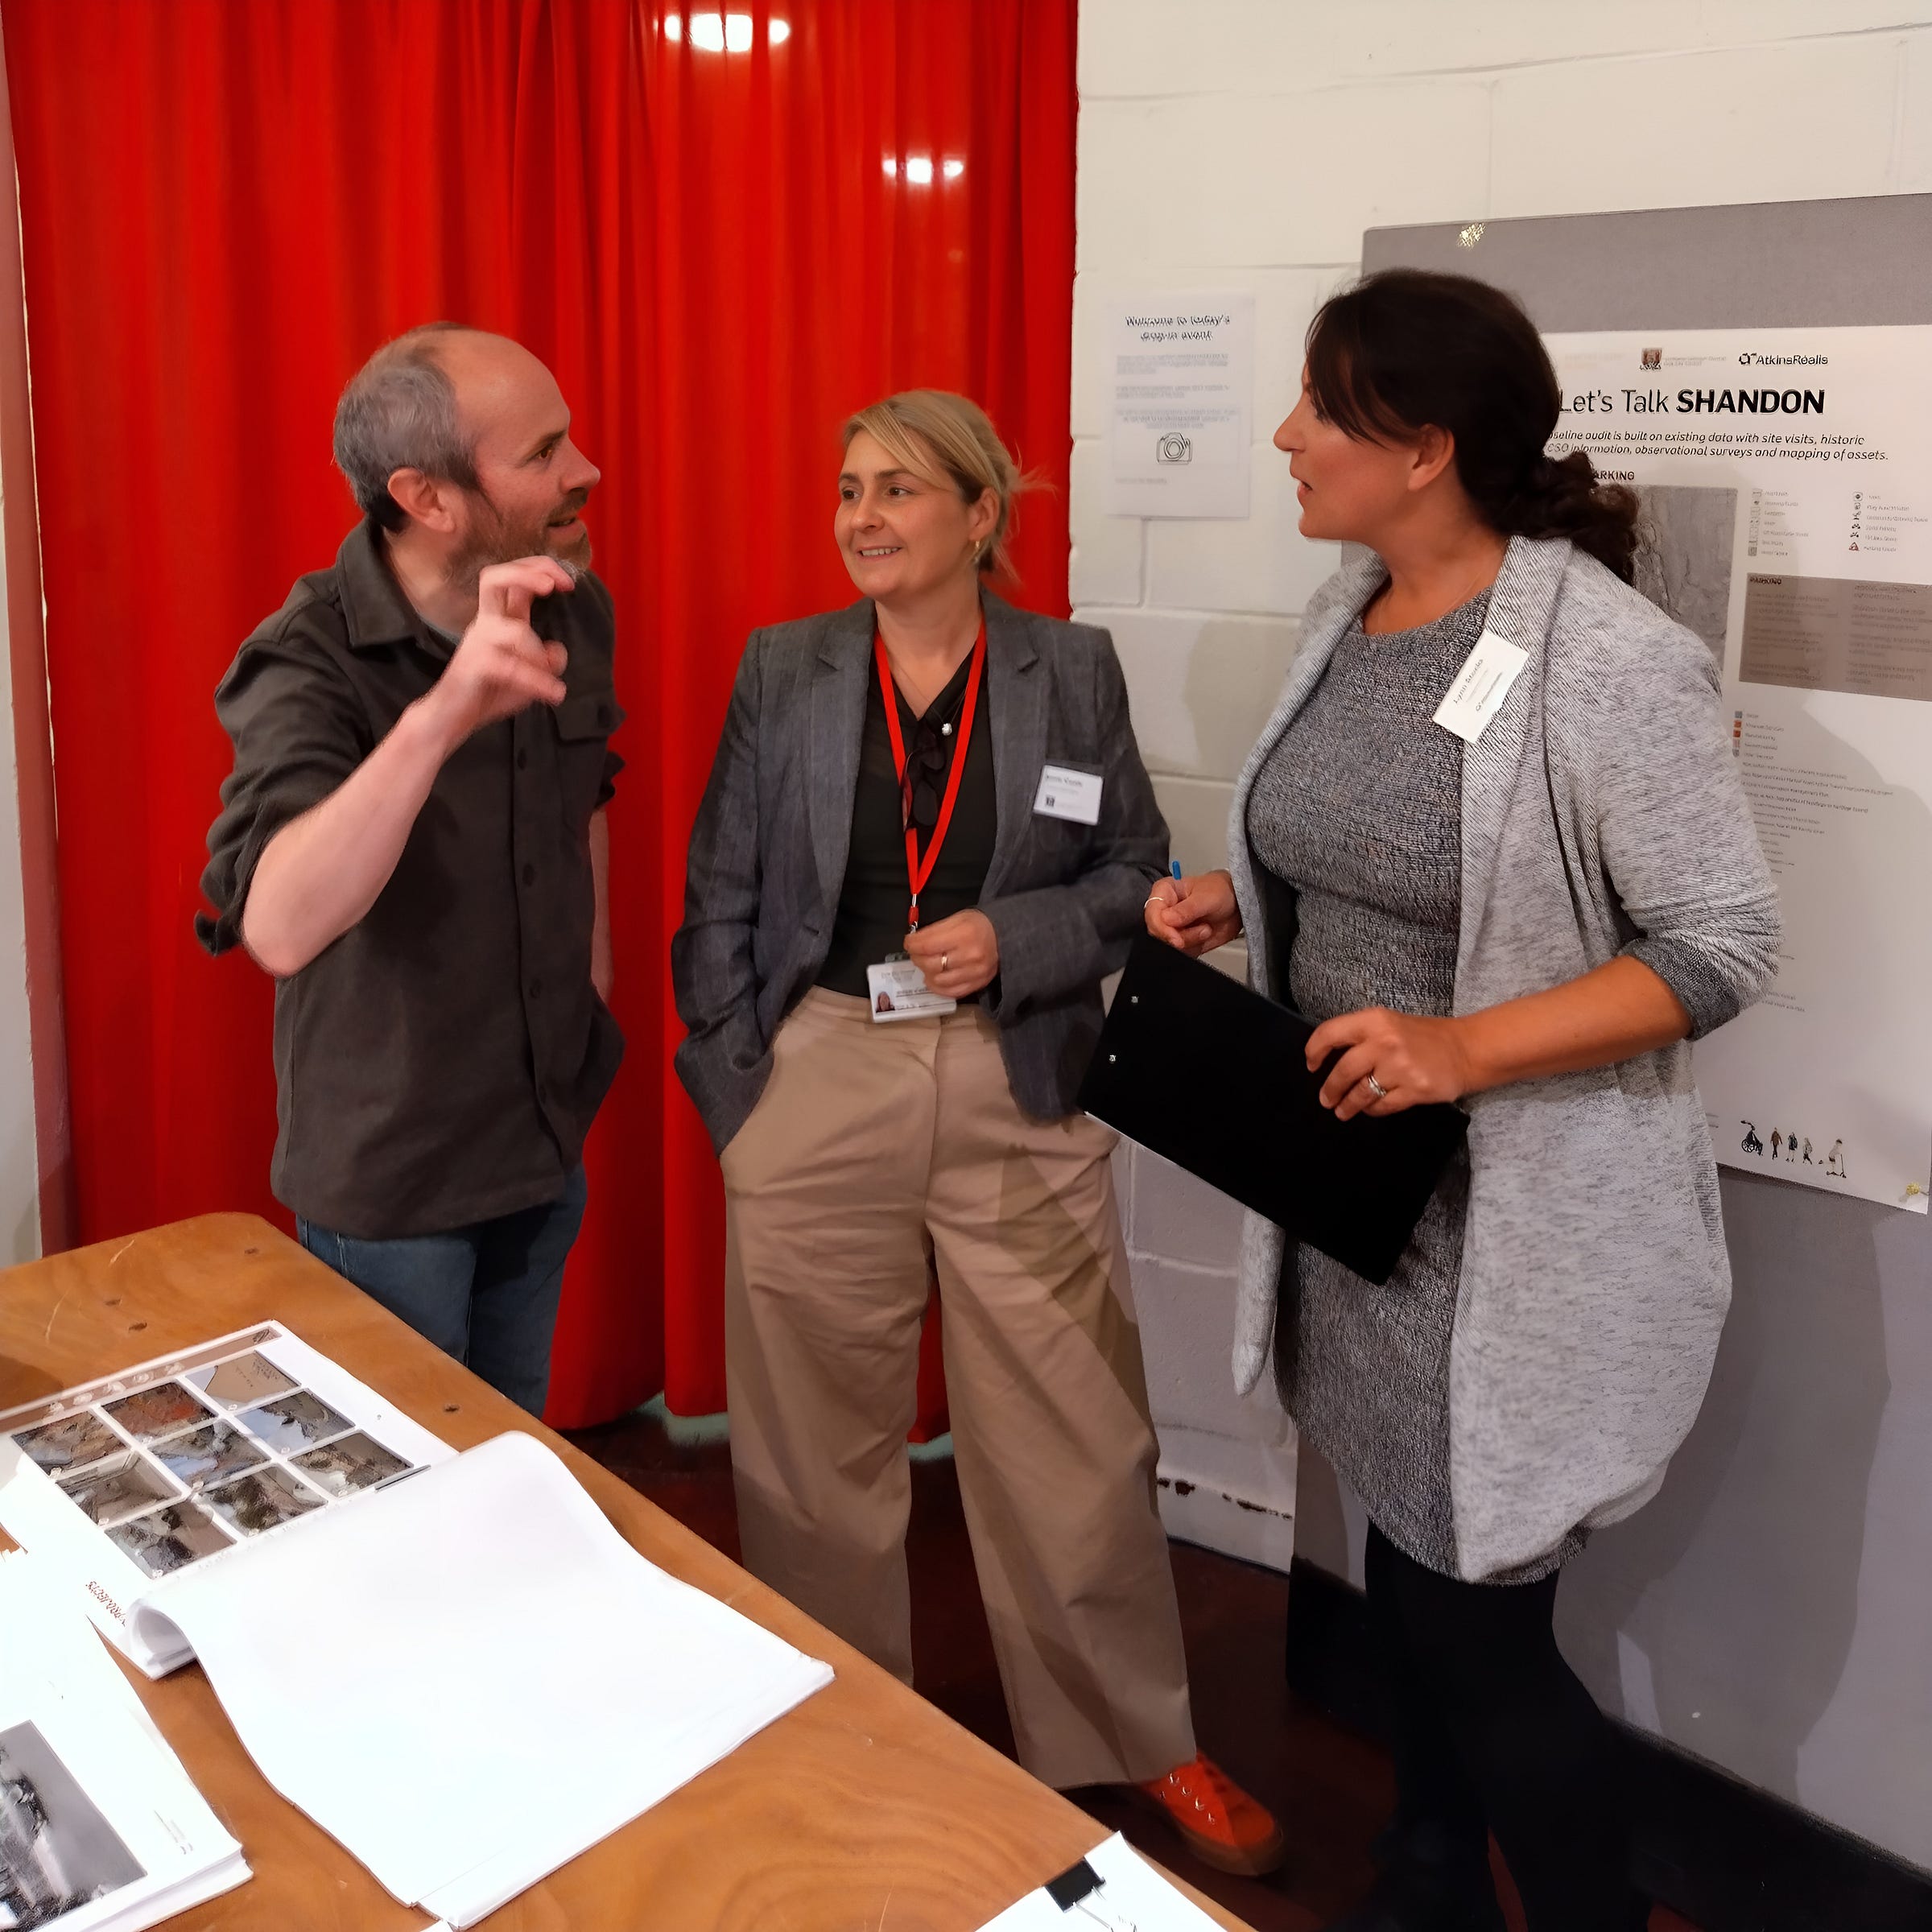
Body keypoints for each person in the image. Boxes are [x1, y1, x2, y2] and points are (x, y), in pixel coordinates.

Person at [1147, 270, 1778, 1931]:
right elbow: (1384, 848)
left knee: (1478, 1623)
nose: (1286, 435)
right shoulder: (1351, 608)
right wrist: (1245, 892)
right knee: (1405, 1572)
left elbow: (1723, 944)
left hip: (1509, 1235)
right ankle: (1427, 1867)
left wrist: (1461, 1050)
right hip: (1363, 1212)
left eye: (1320, 407)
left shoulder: (1603, 661)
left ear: (1423, 446)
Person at [674, 390, 1282, 1875]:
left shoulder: (1069, 670)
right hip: (821, 1074)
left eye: (896, 489)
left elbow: (1132, 866)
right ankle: (843, 1726)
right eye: (846, 489)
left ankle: (1134, 1739)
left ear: (978, 515)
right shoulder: (789, 667)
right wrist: (734, 1088)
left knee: (1074, 1433)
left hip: (1020, 1078)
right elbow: (723, 891)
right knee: (815, 1447)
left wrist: (1016, 933)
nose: (862, 518)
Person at [197, 324, 625, 1417]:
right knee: (393, 1506)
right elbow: (280, 924)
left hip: (540, 1141)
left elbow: (587, 803)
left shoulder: (569, 600)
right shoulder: (305, 655)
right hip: (393, 1183)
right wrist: (442, 715)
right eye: (542, 453)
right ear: (426, 497)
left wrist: (591, 991)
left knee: (511, 1459)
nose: (586, 471)